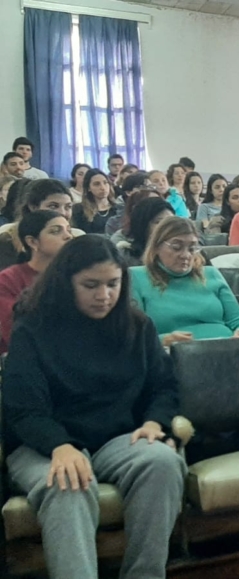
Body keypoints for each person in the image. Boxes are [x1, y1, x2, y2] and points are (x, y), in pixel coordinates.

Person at [3, 235, 186, 579]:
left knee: (162, 462)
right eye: (90, 285)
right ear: (66, 282)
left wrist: (154, 422)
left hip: (115, 438)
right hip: (42, 443)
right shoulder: (33, 327)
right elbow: (23, 409)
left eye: (113, 284)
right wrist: (59, 446)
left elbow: (164, 386)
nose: (104, 295)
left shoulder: (137, 325)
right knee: (68, 482)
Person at [131, 218, 239, 449]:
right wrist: (164, 339)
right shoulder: (137, 277)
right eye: (176, 247)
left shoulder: (211, 275)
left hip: (226, 356)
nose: (185, 255)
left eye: (192, 248)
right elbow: (133, 337)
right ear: (156, 247)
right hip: (176, 362)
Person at [0, 210, 73, 352]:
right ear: (32, 242)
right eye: (56, 231)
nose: (68, 236)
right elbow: (14, 332)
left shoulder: (76, 274)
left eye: (68, 230)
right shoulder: (8, 279)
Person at [118, 197, 173, 267]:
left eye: (171, 221)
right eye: (158, 222)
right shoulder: (126, 257)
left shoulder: (180, 255)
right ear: (143, 225)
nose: (167, 226)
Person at [70, 169, 116, 235]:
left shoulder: (118, 208)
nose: (103, 187)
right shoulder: (79, 209)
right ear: (88, 188)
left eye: (105, 183)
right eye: (97, 184)